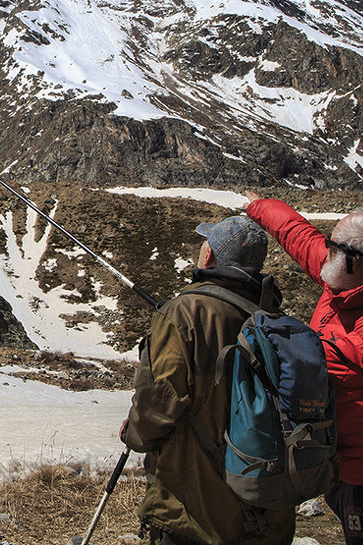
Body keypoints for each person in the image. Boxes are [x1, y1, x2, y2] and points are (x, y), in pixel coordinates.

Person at [245, 193, 363, 545]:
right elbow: (302, 239)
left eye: (332, 248)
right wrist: (261, 206)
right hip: (340, 464)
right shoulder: (352, 280)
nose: (325, 252)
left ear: (355, 261)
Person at [121, 216, 295, 545]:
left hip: (196, 511)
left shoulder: (185, 314)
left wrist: (132, 433)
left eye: (206, 243)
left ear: (210, 257)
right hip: (269, 510)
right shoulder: (278, 320)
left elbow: (156, 408)